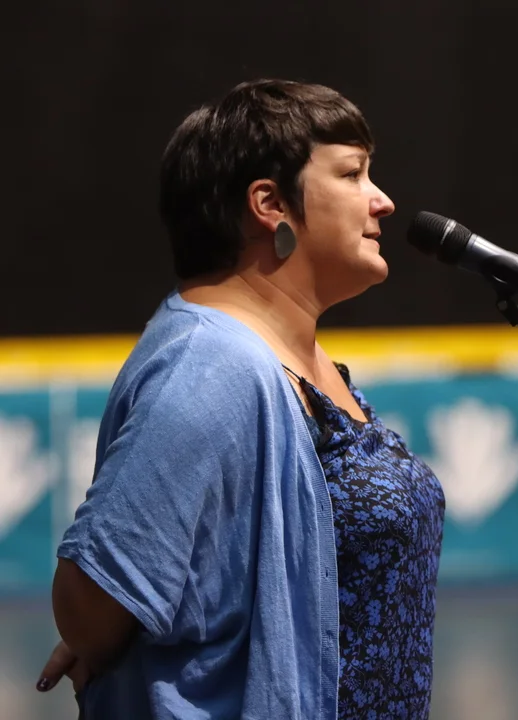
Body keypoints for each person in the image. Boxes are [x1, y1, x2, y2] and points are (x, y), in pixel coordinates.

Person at [35, 79, 446, 719]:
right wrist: (114, 636)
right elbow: (90, 605)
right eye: (352, 173)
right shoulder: (212, 364)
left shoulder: (285, 360)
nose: (383, 201)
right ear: (269, 203)